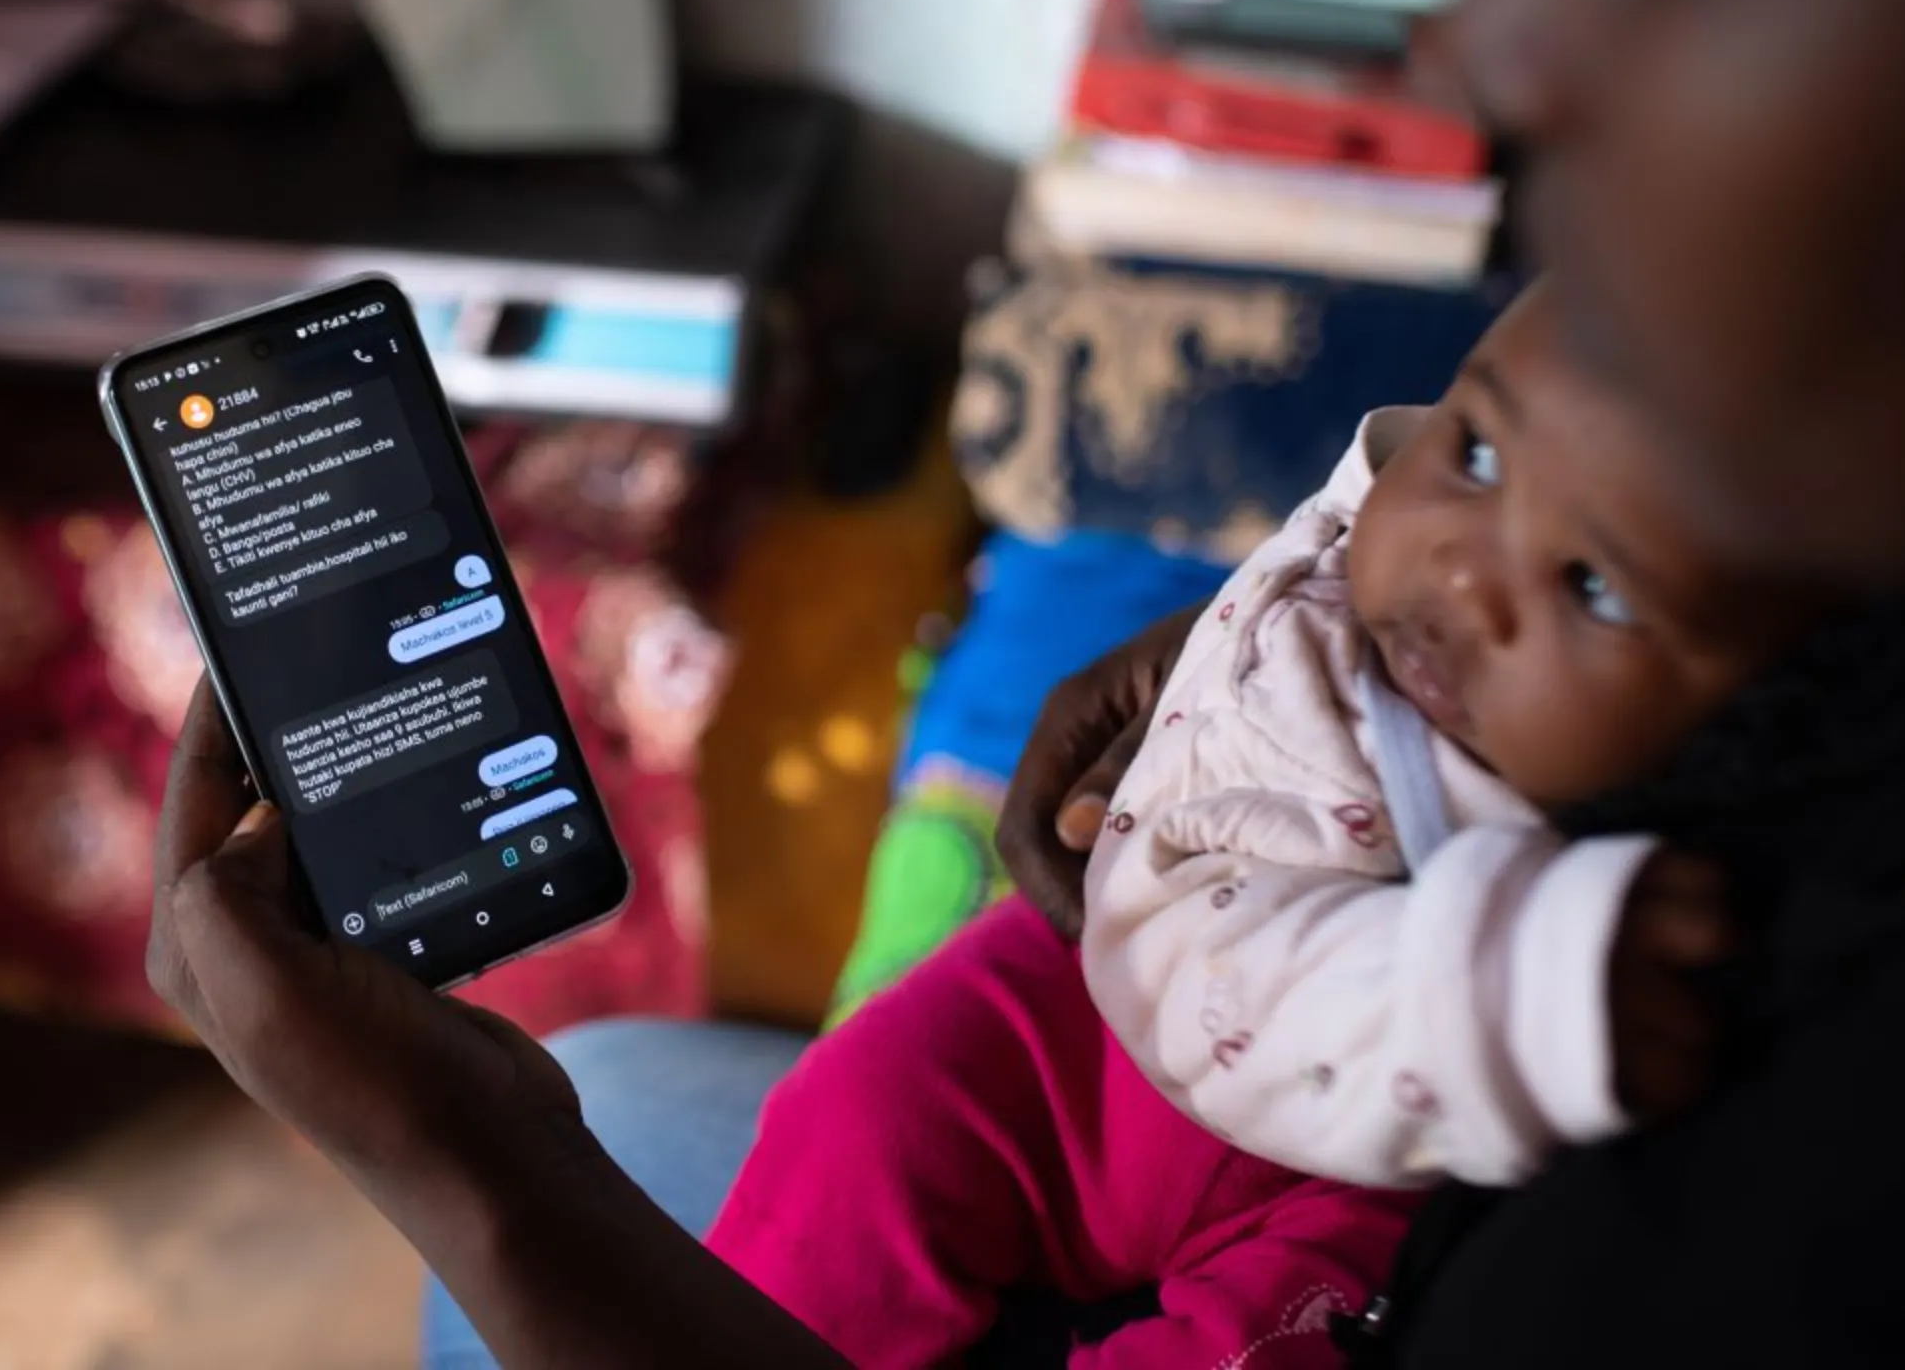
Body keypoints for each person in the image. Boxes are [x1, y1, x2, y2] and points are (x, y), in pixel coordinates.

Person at [143, 0, 1905, 1365]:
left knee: (539, 1210)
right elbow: (1410, 514)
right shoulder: (1769, 541)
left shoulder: (1794, 1183)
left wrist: (472, 1177)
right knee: (721, 1101)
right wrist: (1239, 654)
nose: (1478, 34)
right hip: (1102, 1022)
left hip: (1361, 1181)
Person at [699, 282, 1816, 1367]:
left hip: (1367, 1145)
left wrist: (1544, 972)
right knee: (857, 1109)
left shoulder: (1642, 849)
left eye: (1596, 586)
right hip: (1092, 1002)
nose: (1466, 578)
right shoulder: (1377, 555)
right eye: (1476, 454)